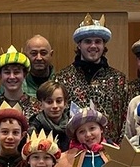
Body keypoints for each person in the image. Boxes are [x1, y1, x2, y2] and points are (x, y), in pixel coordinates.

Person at [54, 14, 127, 143]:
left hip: (109, 149)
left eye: (98, 41)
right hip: (73, 149)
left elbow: (125, 118)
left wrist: (119, 148)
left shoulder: (118, 79)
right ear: (79, 45)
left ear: (104, 45)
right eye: (88, 41)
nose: (93, 46)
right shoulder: (62, 78)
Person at [0, 46, 36, 125]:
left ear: (24, 75)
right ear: (0, 76)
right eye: (7, 72)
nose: (12, 77)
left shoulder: (36, 107)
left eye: (16, 72)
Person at [29, 81, 70, 152]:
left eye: (59, 101)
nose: (55, 106)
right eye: (49, 102)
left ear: (65, 103)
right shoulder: (34, 129)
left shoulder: (73, 126)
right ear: (40, 105)